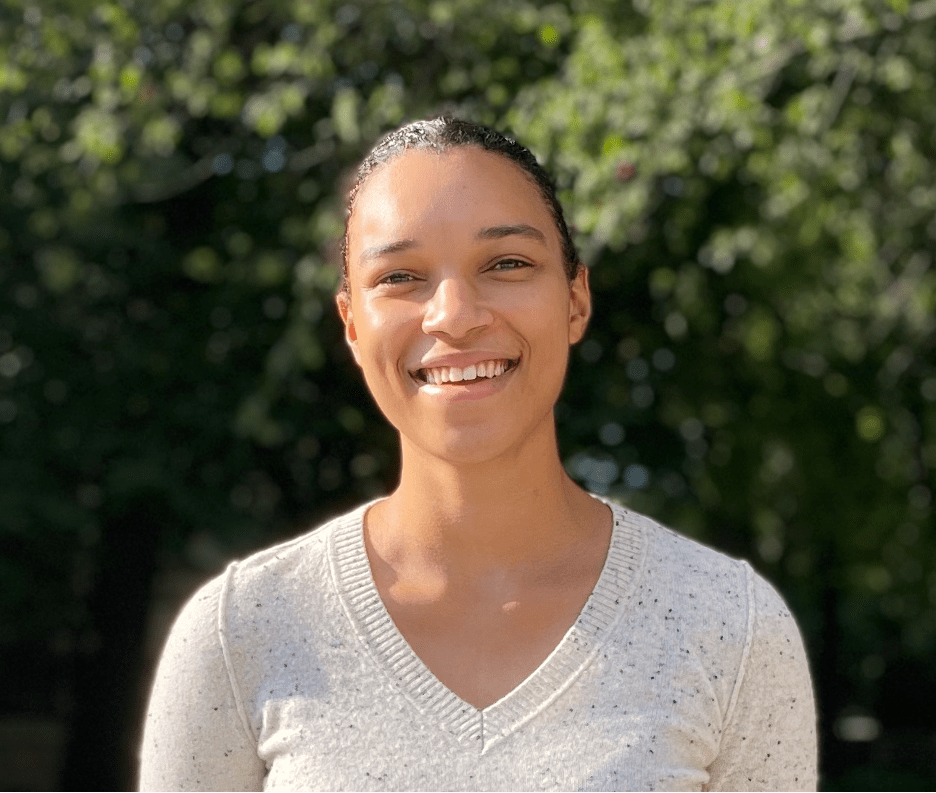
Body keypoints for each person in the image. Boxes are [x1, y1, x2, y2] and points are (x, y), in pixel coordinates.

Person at [139, 117, 817, 791]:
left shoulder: (729, 624)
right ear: (350, 324)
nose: (455, 315)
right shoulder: (241, 631)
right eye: (401, 275)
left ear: (575, 299)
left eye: (507, 264)